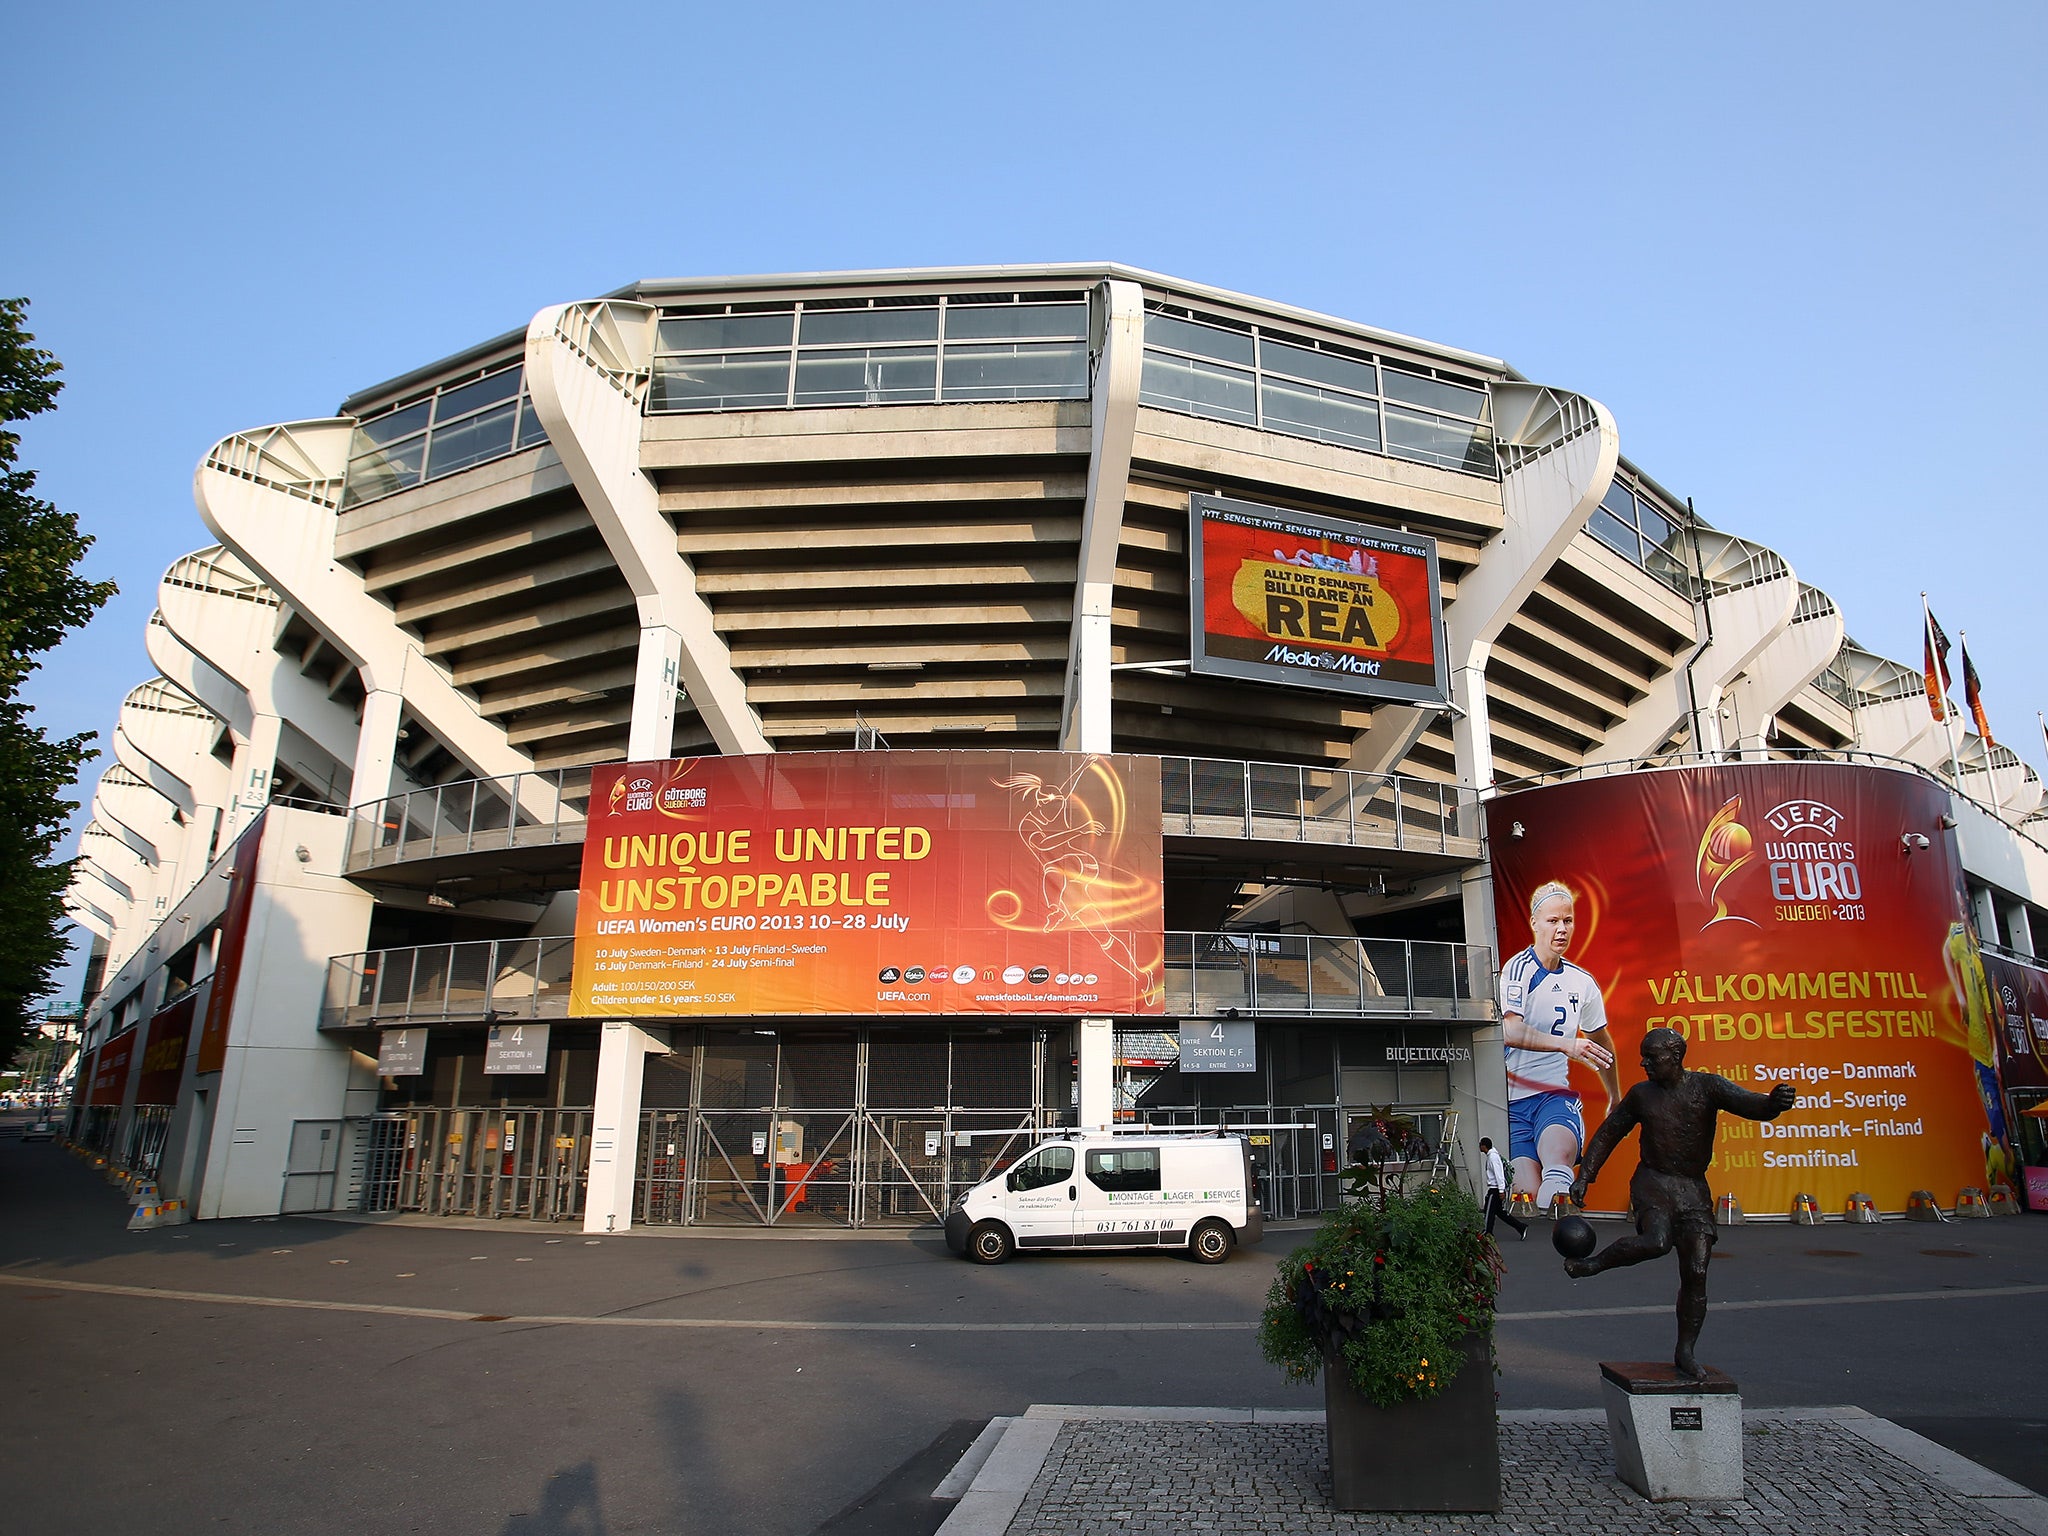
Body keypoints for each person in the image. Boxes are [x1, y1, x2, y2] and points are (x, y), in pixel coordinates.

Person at [1566, 1027, 1796, 1378]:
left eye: (1651, 1057)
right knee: (1657, 1241)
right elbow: (1611, 1131)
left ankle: (1685, 1350)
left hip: (1692, 1189)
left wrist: (1772, 1104)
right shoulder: (1642, 1095)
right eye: (1643, 1056)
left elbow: (1751, 1104)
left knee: (1696, 1272)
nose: (1643, 1063)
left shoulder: (1708, 1087)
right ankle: (1595, 1264)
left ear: (1674, 1058)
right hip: (1653, 1181)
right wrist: (1586, 1175)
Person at [1499, 881, 1620, 1213]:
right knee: (1528, 1196)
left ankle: (1561, 1184)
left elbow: (1600, 1040)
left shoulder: (1582, 982)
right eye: (1553, 921)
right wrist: (1566, 1045)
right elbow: (1510, 1030)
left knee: (1557, 1174)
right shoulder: (1517, 969)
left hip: (1554, 1096)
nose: (1562, 929)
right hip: (1512, 1104)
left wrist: (1614, 1095)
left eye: (1568, 921)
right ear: (1534, 923)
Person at [1479, 1136, 1526, 1239]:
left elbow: (1499, 1175)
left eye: (1480, 1145)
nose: (1479, 1147)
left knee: (1488, 1211)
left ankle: (1487, 1232)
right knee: (1499, 1212)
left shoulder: (1493, 1158)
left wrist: (1501, 1190)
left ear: (1484, 1146)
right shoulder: (1492, 1156)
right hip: (1495, 1188)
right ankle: (1520, 1227)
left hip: (1495, 1189)